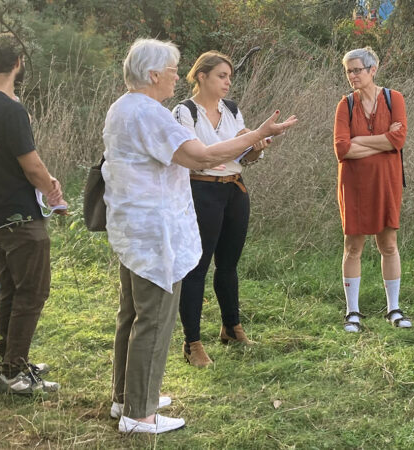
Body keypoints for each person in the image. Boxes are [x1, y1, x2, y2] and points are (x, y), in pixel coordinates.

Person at [103, 39, 297, 435]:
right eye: (173, 69)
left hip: (132, 228)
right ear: (153, 75)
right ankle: (139, 415)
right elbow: (201, 157)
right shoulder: (151, 114)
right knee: (153, 320)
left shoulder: (124, 107)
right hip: (154, 232)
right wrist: (254, 134)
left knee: (132, 315)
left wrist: (248, 141)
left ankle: (125, 398)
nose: (178, 74)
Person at [0, 33, 63, 395]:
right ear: (17, 62)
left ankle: (11, 361)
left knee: (10, 289)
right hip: (21, 215)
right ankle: (13, 374)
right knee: (33, 292)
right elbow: (31, 164)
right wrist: (51, 187)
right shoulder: (10, 108)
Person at [173, 51, 270, 367]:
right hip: (201, 191)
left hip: (234, 190)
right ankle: (193, 343)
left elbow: (245, 159)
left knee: (228, 264)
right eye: (221, 76)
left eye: (229, 76)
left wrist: (255, 147)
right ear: (201, 76)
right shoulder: (185, 112)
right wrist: (237, 148)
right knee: (197, 267)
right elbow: (198, 157)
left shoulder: (231, 110)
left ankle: (231, 326)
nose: (228, 82)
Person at [332, 47, 409, 332]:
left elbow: (398, 140)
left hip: (386, 182)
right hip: (353, 184)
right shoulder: (345, 105)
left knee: (388, 244)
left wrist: (360, 142)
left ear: (372, 69)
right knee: (353, 246)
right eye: (348, 71)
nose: (352, 75)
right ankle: (353, 312)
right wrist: (382, 140)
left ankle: (394, 309)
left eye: (357, 70)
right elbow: (341, 148)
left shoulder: (394, 99)